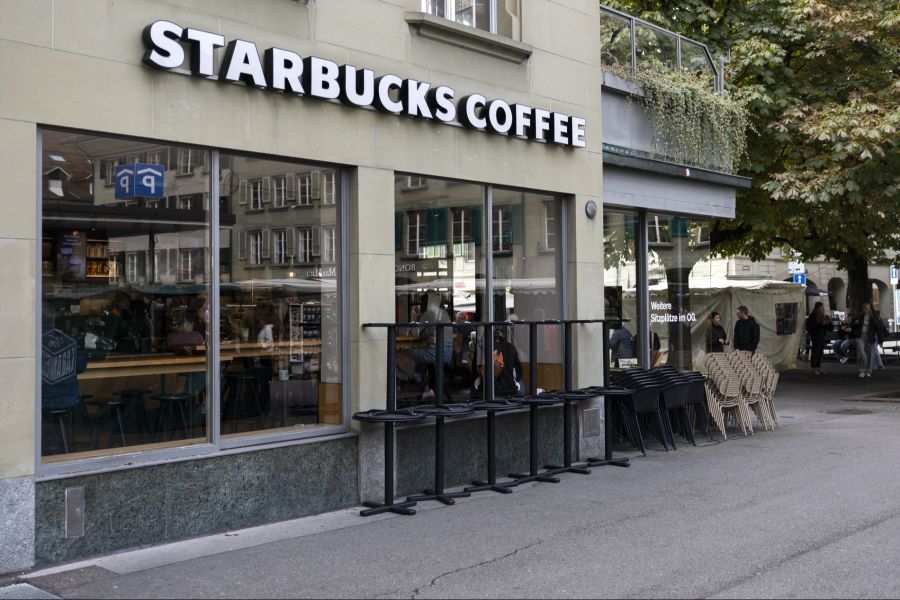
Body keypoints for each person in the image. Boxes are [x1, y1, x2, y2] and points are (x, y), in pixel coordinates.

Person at [472, 329, 523, 398]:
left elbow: (475, 371)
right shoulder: (510, 347)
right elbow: (518, 374)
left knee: (474, 387)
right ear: (502, 337)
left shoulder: (481, 347)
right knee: (521, 385)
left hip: (484, 390)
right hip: (509, 391)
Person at [406, 292, 453, 367]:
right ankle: (428, 374)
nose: (421, 306)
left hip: (435, 353)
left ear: (427, 303)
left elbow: (416, 333)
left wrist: (414, 319)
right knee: (422, 352)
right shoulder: (445, 312)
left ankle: (415, 374)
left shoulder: (428, 313)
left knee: (407, 352)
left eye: (422, 303)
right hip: (449, 353)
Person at [850, 302, 885, 378]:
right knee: (861, 353)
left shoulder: (873, 318)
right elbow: (851, 324)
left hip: (869, 336)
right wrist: (854, 323)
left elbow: (878, 328)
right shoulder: (859, 316)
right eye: (864, 309)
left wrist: (880, 340)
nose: (865, 310)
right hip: (859, 336)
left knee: (870, 354)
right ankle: (862, 370)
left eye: (867, 309)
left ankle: (869, 371)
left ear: (869, 309)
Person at [805, 302, 832, 375]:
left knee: (820, 352)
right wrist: (821, 324)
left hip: (822, 336)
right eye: (822, 307)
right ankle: (814, 368)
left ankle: (818, 367)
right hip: (816, 336)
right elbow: (810, 327)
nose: (823, 309)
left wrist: (829, 322)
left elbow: (830, 328)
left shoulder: (824, 316)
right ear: (818, 308)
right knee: (815, 351)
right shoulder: (813, 316)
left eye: (823, 307)